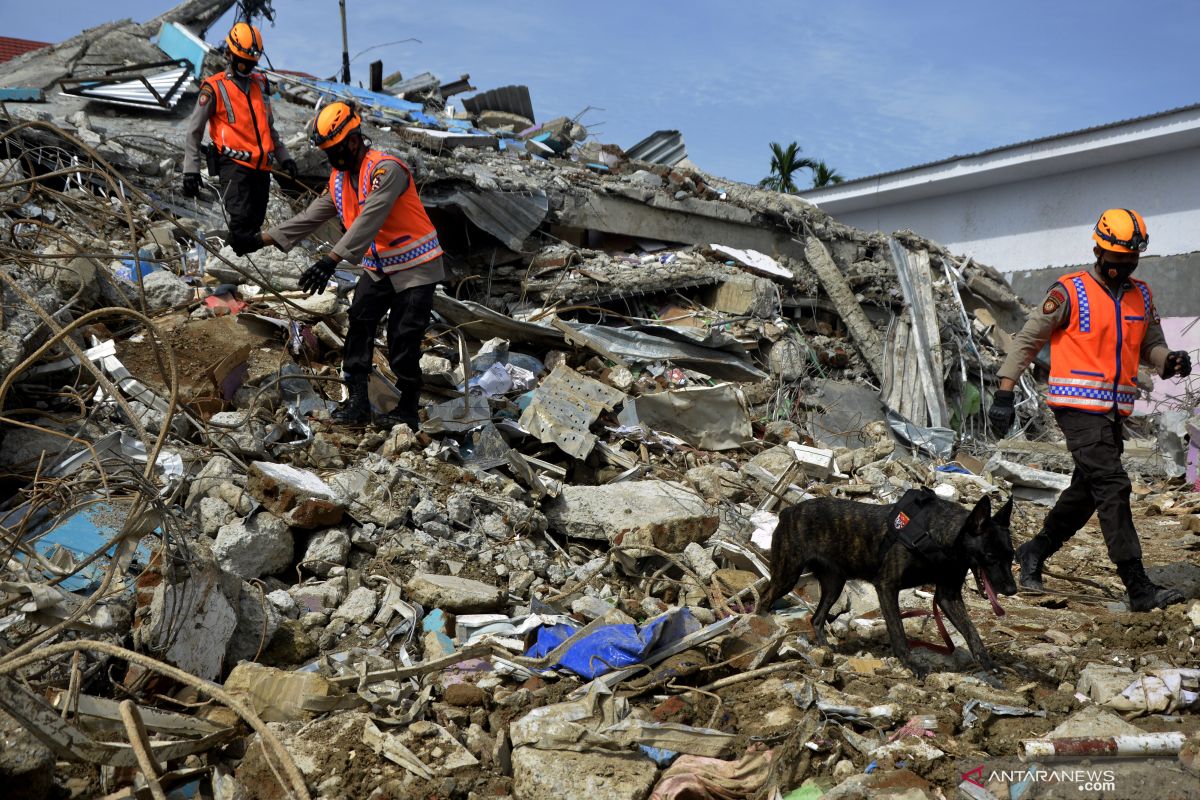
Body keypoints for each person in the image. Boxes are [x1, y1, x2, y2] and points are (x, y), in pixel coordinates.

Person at [988, 208, 1190, 612]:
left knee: (1086, 492)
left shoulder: (1142, 294)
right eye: (1117, 260)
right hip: (1076, 408)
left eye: (1130, 260)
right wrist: (1004, 391)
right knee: (1113, 485)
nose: (1124, 267)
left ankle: (1034, 551)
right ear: (1099, 251)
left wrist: (1167, 360)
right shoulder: (1069, 291)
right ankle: (1137, 586)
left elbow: (1150, 344)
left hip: (1115, 410)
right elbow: (1028, 340)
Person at [240, 101, 444, 429]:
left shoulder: (386, 170)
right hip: (380, 267)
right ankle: (358, 402)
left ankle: (407, 409)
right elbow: (313, 215)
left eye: (334, 150)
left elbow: (370, 218)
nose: (330, 158)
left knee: (403, 338)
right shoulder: (338, 178)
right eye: (326, 152)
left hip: (416, 267)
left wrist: (331, 259)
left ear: (352, 140)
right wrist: (260, 239)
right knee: (359, 323)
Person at [181, 22, 296, 255]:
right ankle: (233, 271)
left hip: (262, 169)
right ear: (228, 54)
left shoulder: (261, 85)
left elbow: (269, 128)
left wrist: (285, 158)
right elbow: (194, 130)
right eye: (242, 62)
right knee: (240, 225)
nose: (247, 67)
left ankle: (243, 272)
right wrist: (190, 170)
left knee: (254, 226)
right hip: (234, 167)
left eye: (251, 63)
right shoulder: (214, 88)